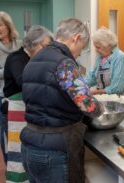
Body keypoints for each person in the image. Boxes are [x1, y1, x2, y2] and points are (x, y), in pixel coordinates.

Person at [20, 18, 103, 183]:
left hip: (29, 146)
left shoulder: (33, 60)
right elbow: (90, 107)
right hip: (54, 151)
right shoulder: (64, 64)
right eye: (82, 47)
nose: (79, 53)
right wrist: (100, 106)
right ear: (76, 38)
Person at [3, 25, 53, 183]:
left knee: (27, 148)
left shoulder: (35, 59)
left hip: (28, 108)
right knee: (16, 150)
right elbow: (23, 81)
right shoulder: (17, 58)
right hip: (15, 109)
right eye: (45, 47)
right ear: (35, 44)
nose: (47, 51)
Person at [0, 11, 21, 164]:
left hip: (19, 94)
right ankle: (9, 164)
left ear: (8, 25)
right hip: (0, 96)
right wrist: (13, 67)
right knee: (7, 131)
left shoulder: (20, 44)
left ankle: (21, 163)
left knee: (19, 131)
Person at [85, 27, 124, 96]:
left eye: (98, 47)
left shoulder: (120, 58)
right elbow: (93, 77)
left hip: (119, 99)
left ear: (108, 45)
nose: (96, 50)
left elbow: (117, 87)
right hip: (104, 97)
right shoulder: (100, 57)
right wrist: (81, 85)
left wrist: (95, 92)